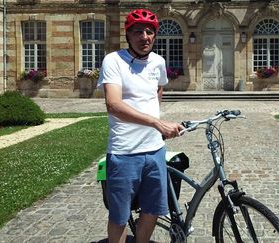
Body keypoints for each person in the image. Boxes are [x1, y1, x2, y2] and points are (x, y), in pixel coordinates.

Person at [97, 8, 183, 243]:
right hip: (124, 152)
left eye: (149, 32)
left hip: (155, 151)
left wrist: (157, 120)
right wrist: (156, 122)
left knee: (152, 209)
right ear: (128, 35)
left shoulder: (158, 61)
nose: (144, 36)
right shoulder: (114, 60)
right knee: (119, 216)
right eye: (138, 32)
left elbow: (158, 88)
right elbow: (113, 105)